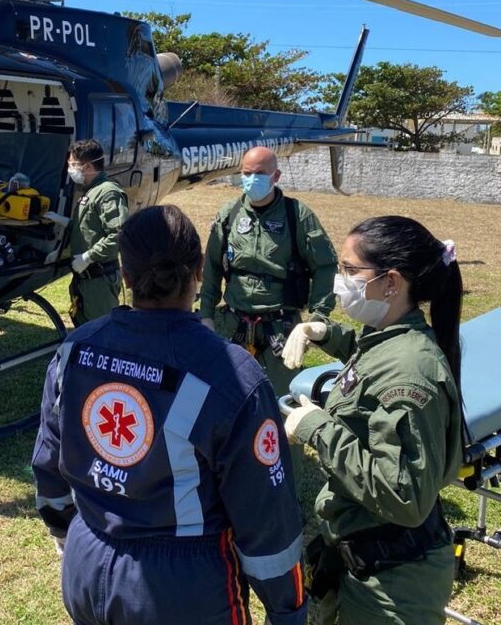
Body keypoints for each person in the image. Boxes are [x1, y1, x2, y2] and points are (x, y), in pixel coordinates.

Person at [32, 205, 307, 625]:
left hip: (85, 565)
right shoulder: (229, 373)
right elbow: (266, 518)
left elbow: (49, 463)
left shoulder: (76, 349)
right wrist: (287, 611)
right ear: (199, 270)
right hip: (184, 592)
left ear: (124, 274)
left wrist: (68, 536)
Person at [280, 216, 463, 625]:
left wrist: (318, 428)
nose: (339, 282)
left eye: (349, 271)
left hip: (391, 587)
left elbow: (407, 497)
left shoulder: (411, 372)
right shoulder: (390, 335)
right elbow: (370, 364)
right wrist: (324, 333)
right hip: (366, 560)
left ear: (391, 282)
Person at [199, 146, 336, 398]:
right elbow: (212, 267)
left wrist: (317, 318)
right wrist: (206, 314)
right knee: (223, 396)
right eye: (246, 172)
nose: (252, 179)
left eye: (260, 173)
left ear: (276, 176)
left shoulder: (297, 216)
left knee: (284, 400)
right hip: (232, 324)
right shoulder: (229, 214)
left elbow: (325, 267)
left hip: (280, 328)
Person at [67, 139, 129, 326]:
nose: (70, 170)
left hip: (99, 282)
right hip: (85, 281)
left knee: (104, 333)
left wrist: (88, 257)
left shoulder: (108, 192)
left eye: (72, 165)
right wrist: (66, 223)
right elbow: (90, 227)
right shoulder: (91, 191)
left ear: (86, 166)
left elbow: (119, 235)